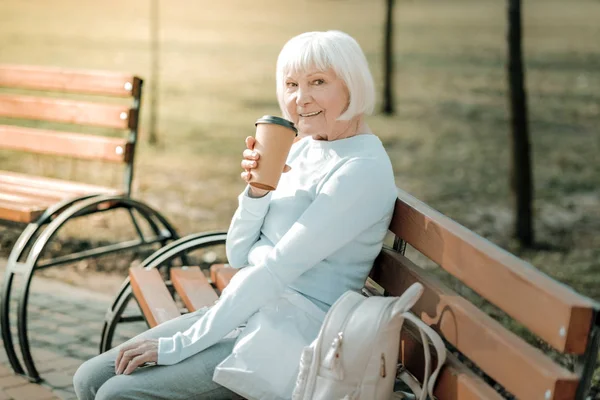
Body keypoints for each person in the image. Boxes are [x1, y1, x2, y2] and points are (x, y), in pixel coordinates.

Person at [73, 30, 397, 400]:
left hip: (289, 336)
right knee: (89, 378)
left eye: (318, 82)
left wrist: (178, 345)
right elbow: (239, 254)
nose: (300, 98)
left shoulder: (361, 170)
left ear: (352, 86)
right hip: (248, 307)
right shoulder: (304, 147)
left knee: (118, 394)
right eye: (291, 84)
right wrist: (257, 191)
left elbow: (276, 269)